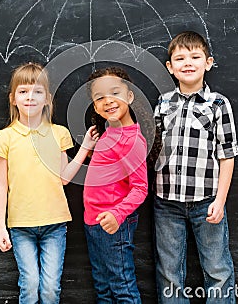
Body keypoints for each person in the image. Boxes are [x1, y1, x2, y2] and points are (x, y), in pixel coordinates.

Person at [0, 62, 98, 304]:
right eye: (23, 91)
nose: (30, 97)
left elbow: (63, 177)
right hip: (20, 225)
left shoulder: (59, 133)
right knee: (30, 286)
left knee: (50, 289)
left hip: (55, 224)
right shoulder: (4, 138)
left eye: (37, 92)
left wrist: (85, 149)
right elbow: (0, 185)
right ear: (13, 99)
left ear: (47, 99)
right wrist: (0, 227)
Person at [153, 31, 238, 303]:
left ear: (208, 62)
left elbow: (227, 155)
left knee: (217, 269)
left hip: (207, 201)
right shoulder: (162, 104)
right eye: (179, 58)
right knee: (169, 271)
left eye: (195, 56)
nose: (187, 63)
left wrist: (220, 200)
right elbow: (152, 150)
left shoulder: (218, 104)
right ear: (170, 67)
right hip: (166, 202)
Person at [83, 66, 148, 303]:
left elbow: (140, 188)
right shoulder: (110, 133)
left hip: (114, 223)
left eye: (115, 93)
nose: (107, 101)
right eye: (99, 97)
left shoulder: (132, 140)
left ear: (129, 96)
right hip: (94, 221)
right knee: (103, 287)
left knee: (122, 287)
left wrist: (116, 214)